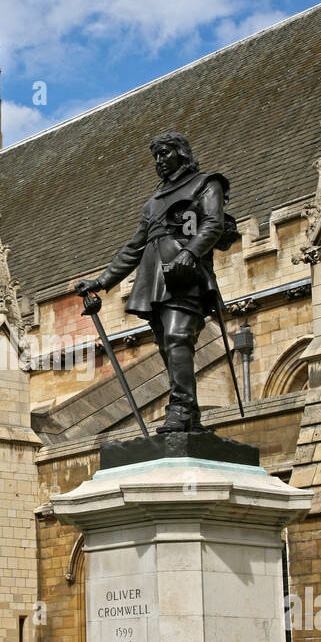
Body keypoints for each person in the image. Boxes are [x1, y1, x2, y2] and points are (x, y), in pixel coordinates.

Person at [75, 131, 230, 434]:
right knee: (167, 346)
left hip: (185, 277)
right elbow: (133, 248)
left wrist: (190, 251)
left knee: (177, 337)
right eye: (155, 156)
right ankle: (190, 416)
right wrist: (101, 281)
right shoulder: (153, 204)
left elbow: (213, 223)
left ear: (181, 153)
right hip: (155, 282)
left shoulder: (205, 184)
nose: (159, 161)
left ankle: (181, 408)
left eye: (164, 153)